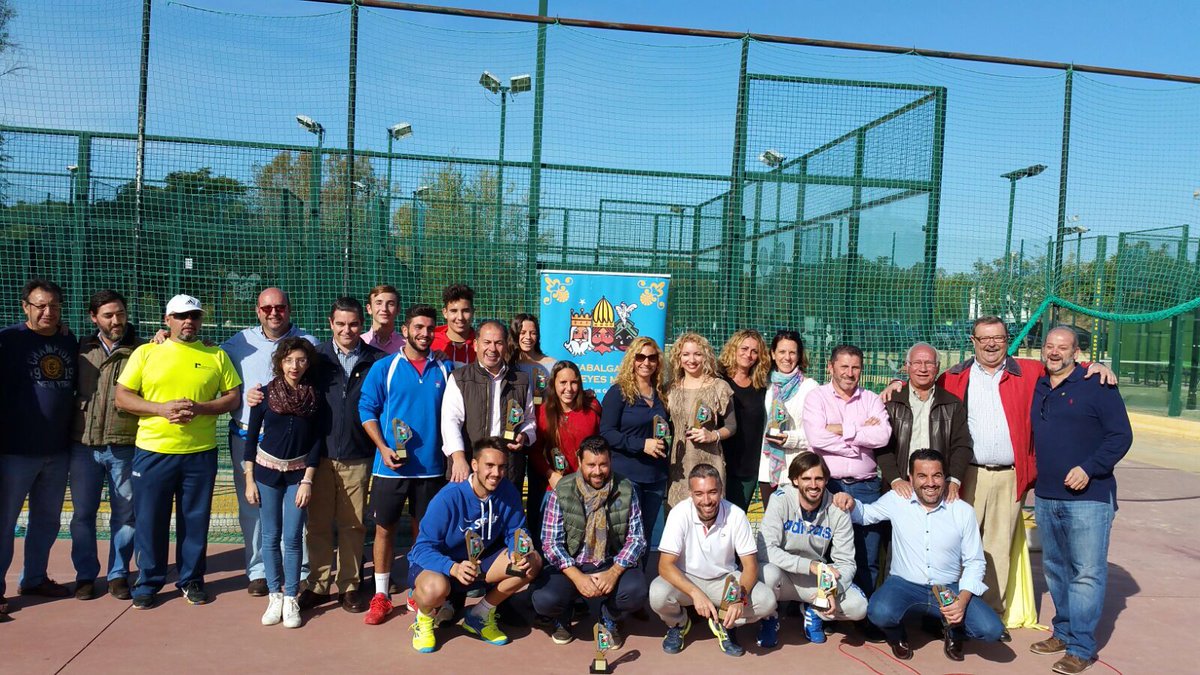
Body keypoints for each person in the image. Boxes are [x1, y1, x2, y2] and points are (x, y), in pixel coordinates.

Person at [882, 316, 1114, 620]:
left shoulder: (1030, 371)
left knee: (997, 548)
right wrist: (896, 384)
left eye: (999, 338)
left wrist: (1094, 367)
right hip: (965, 474)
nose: (991, 344)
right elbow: (920, 381)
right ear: (974, 342)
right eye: (984, 339)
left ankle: (987, 614)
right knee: (951, 543)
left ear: (1007, 340)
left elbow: (1064, 366)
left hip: (1008, 474)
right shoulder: (954, 375)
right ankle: (944, 613)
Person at [115, 294, 241, 608]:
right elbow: (123, 397)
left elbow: (232, 398)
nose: (189, 322)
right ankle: (149, 582)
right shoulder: (146, 352)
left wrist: (200, 408)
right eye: (182, 316)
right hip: (153, 452)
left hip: (200, 453)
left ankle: (192, 580)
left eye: (195, 316)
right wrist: (160, 409)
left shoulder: (216, 354)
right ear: (167, 320)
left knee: (195, 520)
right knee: (150, 520)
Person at [834, 449, 1005, 662]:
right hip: (904, 584)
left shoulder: (963, 511)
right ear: (911, 478)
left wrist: (961, 601)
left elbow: (975, 562)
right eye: (922, 476)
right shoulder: (897, 499)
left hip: (947, 587)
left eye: (937, 475)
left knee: (991, 630)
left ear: (945, 477)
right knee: (879, 611)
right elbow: (866, 515)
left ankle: (953, 630)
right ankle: (897, 636)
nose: (930, 483)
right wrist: (847, 500)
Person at [1029, 327, 1131, 675]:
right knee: (1056, 570)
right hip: (1046, 496)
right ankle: (1063, 631)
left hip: (1089, 499)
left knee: (1086, 573)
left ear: (1076, 352)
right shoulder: (1039, 384)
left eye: (1063, 347)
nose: (1054, 352)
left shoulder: (1096, 384)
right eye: (1049, 346)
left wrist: (1090, 468)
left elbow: (1121, 436)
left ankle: (1082, 647)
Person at [220, 287, 318, 597]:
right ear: (257, 310)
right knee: (253, 509)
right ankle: (260, 571)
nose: (273, 312)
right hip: (250, 438)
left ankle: (299, 570)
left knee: (298, 512)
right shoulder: (237, 343)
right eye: (266, 308)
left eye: (280, 307)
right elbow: (207, 358)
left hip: (295, 445)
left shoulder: (310, 344)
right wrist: (161, 337)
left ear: (289, 309)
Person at [358, 304, 452, 625]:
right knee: (384, 530)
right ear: (407, 329)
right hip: (391, 468)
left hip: (432, 469)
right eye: (418, 328)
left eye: (429, 328)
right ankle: (381, 595)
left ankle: (416, 589)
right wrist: (383, 448)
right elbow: (366, 410)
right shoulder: (385, 367)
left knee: (423, 533)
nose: (424, 334)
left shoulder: (445, 369)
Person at [406, 438, 542, 653]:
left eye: (501, 467)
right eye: (489, 466)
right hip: (441, 567)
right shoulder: (449, 497)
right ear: (475, 465)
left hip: (478, 563)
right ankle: (424, 618)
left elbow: (517, 530)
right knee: (435, 590)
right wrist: (452, 568)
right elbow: (421, 548)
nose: (496, 473)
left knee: (531, 562)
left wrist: (519, 550)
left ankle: (479, 615)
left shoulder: (507, 490)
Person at [302, 297, 385, 613]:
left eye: (352, 324)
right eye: (340, 324)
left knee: (353, 525)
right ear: (330, 324)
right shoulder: (315, 358)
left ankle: (349, 586)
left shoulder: (376, 360)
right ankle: (318, 585)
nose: (346, 329)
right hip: (319, 454)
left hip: (358, 454)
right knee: (319, 524)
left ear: (361, 326)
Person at [0, 279, 78, 614]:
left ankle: (34, 577)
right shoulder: (8, 340)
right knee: (4, 522)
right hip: (14, 451)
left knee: (47, 520)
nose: (48, 312)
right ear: (25, 307)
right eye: (41, 305)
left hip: (57, 450)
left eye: (55, 306)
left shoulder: (68, 339)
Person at [650, 463, 776, 657]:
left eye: (712, 492)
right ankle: (679, 623)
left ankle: (725, 623)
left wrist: (738, 598)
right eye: (699, 493)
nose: (706, 500)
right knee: (657, 594)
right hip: (687, 579)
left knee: (767, 601)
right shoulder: (679, 513)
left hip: (725, 580)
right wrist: (695, 593)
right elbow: (665, 566)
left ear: (721, 491)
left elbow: (750, 566)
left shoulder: (736, 514)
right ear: (690, 493)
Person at [533, 436, 647, 646]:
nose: (597, 471)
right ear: (579, 462)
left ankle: (608, 618)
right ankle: (563, 615)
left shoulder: (627, 488)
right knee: (544, 600)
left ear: (610, 461)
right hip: (572, 564)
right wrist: (577, 577)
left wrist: (614, 572)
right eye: (591, 465)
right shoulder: (562, 491)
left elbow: (637, 539)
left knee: (637, 591)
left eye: (603, 464)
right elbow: (550, 543)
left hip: (609, 561)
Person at [243, 338, 324, 629]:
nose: (295, 366)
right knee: (269, 536)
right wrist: (250, 479)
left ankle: (291, 597)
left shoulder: (315, 398)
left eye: (301, 360)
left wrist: (307, 481)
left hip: (297, 477)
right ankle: (274, 595)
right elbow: (250, 439)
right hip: (265, 475)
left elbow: (316, 443)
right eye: (289, 360)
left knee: (292, 538)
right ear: (280, 362)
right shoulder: (263, 396)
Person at [69, 289, 143, 601]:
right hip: (84, 445)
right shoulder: (80, 348)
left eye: (120, 313)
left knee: (125, 514)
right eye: (109, 315)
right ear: (94, 318)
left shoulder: (142, 349)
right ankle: (86, 575)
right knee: (83, 514)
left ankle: (118, 574)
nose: (116, 320)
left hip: (124, 444)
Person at [803, 344, 891, 602]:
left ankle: (865, 613)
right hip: (828, 488)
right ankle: (823, 609)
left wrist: (843, 429)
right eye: (844, 366)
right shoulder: (817, 397)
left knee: (867, 554)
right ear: (831, 367)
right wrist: (859, 442)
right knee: (824, 550)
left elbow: (883, 435)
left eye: (855, 368)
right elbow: (816, 438)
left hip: (866, 488)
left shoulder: (871, 399)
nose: (849, 373)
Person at [756, 453, 868, 649]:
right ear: (795, 480)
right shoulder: (780, 500)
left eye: (818, 478)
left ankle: (814, 611)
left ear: (826, 480)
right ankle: (769, 618)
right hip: (784, 575)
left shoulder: (837, 509)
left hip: (815, 581)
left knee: (858, 607)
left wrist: (832, 589)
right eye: (806, 478)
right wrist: (810, 565)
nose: (813, 485)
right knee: (766, 573)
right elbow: (766, 550)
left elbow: (847, 562)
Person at [440, 320, 534, 487]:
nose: (492, 349)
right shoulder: (459, 378)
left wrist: (525, 435)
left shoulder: (521, 380)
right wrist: (459, 458)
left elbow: (529, 419)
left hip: (508, 469)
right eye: (487, 342)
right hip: (468, 468)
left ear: (506, 346)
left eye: (498, 343)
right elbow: (450, 421)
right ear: (476, 345)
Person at [876, 342, 971, 503]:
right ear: (907, 366)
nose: (923, 369)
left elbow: (962, 446)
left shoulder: (952, 404)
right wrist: (895, 480)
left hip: (938, 488)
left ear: (938, 366)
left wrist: (953, 480)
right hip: (901, 486)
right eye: (917, 363)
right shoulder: (890, 403)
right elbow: (882, 446)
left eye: (929, 363)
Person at [599, 337, 669, 547]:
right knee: (625, 535)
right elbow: (607, 433)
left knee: (645, 537)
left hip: (656, 477)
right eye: (640, 357)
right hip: (627, 476)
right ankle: (620, 578)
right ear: (632, 360)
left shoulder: (662, 394)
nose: (646, 362)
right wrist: (642, 444)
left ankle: (639, 579)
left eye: (651, 357)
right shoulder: (618, 392)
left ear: (658, 362)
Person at [527, 360, 601, 544]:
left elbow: (600, 448)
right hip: (553, 488)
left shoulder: (592, 409)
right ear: (554, 384)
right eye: (563, 383)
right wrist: (550, 474)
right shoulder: (543, 412)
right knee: (547, 542)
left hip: (585, 487)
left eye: (574, 382)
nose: (569, 388)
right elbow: (535, 451)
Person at [664, 332, 737, 508]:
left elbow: (732, 426)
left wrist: (713, 435)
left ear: (705, 356)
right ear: (678, 358)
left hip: (709, 461)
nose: (692, 359)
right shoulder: (670, 389)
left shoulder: (719, 387)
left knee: (709, 512)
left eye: (698, 354)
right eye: (686, 354)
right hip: (678, 465)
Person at [756, 330, 819, 511]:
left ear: (799, 356)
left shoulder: (809, 387)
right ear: (773, 354)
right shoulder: (763, 384)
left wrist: (790, 438)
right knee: (773, 527)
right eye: (782, 352)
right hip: (767, 470)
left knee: (796, 529)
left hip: (797, 470)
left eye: (792, 352)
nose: (787, 357)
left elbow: (817, 432)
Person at [716, 329, 771, 511]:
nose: (749, 355)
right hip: (719, 463)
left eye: (754, 351)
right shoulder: (717, 379)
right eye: (744, 348)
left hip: (748, 467)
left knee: (737, 518)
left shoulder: (762, 385)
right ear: (734, 348)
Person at [431, 283, 476, 367]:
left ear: (473, 312)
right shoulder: (430, 341)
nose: (460, 317)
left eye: (465, 311)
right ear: (445, 313)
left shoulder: (483, 343)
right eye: (454, 311)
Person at [361, 284, 404, 354]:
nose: (384, 309)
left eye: (391, 304)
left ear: (398, 309)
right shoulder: (360, 342)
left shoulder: (406, 346)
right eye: (378, 303)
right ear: (369, 309)